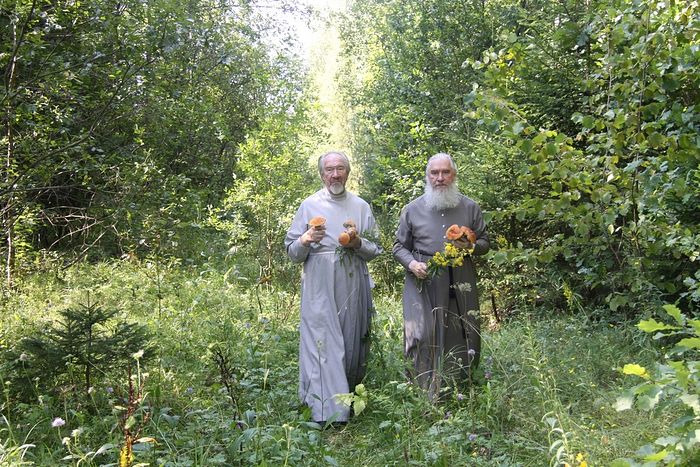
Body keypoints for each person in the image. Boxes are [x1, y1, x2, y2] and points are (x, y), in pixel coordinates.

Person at [285, 151, 382, 424]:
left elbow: (376, 249)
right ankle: (320, 410)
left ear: (348, 173)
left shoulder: (360, 206)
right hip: (318, 281)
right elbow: (292, 254)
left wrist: (358, 244)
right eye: (329, 170)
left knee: (350, 338)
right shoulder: (309, 205)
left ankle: (347, 402)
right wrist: (305, 239)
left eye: (340, 168)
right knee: (320, 341)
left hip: (352, 277)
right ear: (321, 174)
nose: (335, 174)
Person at [392, 152, 489, 399]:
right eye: (434, 173)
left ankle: (456, 390)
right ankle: (422, 393)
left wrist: (471, 247)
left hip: (460, 275)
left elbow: (486, 243)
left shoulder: (470, 207)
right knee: (422, 333)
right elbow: (398, 246)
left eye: (445, 172)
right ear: (427, 176)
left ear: (454, 175)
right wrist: (412, 264)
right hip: (423, 279)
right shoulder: (412, 209)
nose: (440, 178)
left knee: (461, 330)